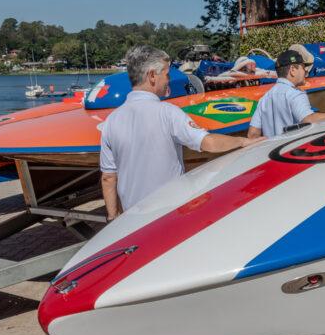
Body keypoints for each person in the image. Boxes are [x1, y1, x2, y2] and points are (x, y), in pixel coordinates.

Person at [100, 45, 264, 221]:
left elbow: (109, 177)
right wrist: (242, 142)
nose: (168, 79)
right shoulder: (167, 112)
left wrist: (113, 217)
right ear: (152, 76)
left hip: (132, 217)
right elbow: (207, 143)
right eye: (166, 73)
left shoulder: (111, 121)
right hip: (168, 211)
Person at [247, 49, 325, 139]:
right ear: (293, 70)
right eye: (304, 68)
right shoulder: (295, 94)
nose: (306, 72)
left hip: (274, 158)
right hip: (293, 155)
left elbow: (253, 134)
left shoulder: (265, 98)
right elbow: (310, 120)